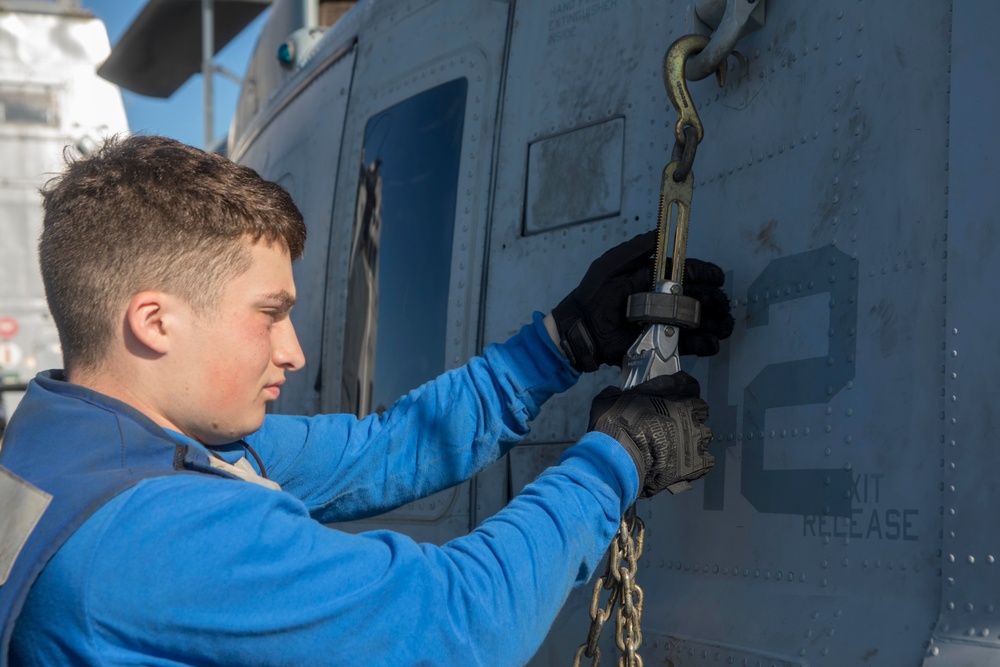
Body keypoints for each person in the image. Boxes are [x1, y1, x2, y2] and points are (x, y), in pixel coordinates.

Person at [0, 135, 732, 666]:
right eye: (268, 313)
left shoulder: (78, 440)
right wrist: (617, 459)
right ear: (155, 321)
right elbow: (453, 627)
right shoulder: (154, 533)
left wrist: (560, 343)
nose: (293, 351)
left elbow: (382, 449)